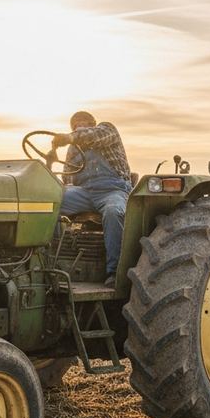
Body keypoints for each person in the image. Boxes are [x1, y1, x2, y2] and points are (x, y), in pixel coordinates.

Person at [51, 110, 132, 287]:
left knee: (113, 212)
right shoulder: (73, 149)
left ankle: (115, 272)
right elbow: (67, 176)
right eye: (75, 125)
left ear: (92, 124)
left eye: (83, 123)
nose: (79, 127)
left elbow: (93, 135)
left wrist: (70, 137)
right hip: (84, 192)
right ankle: (49, 262)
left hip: (113, 189)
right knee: (50, 202)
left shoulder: (107, 131)